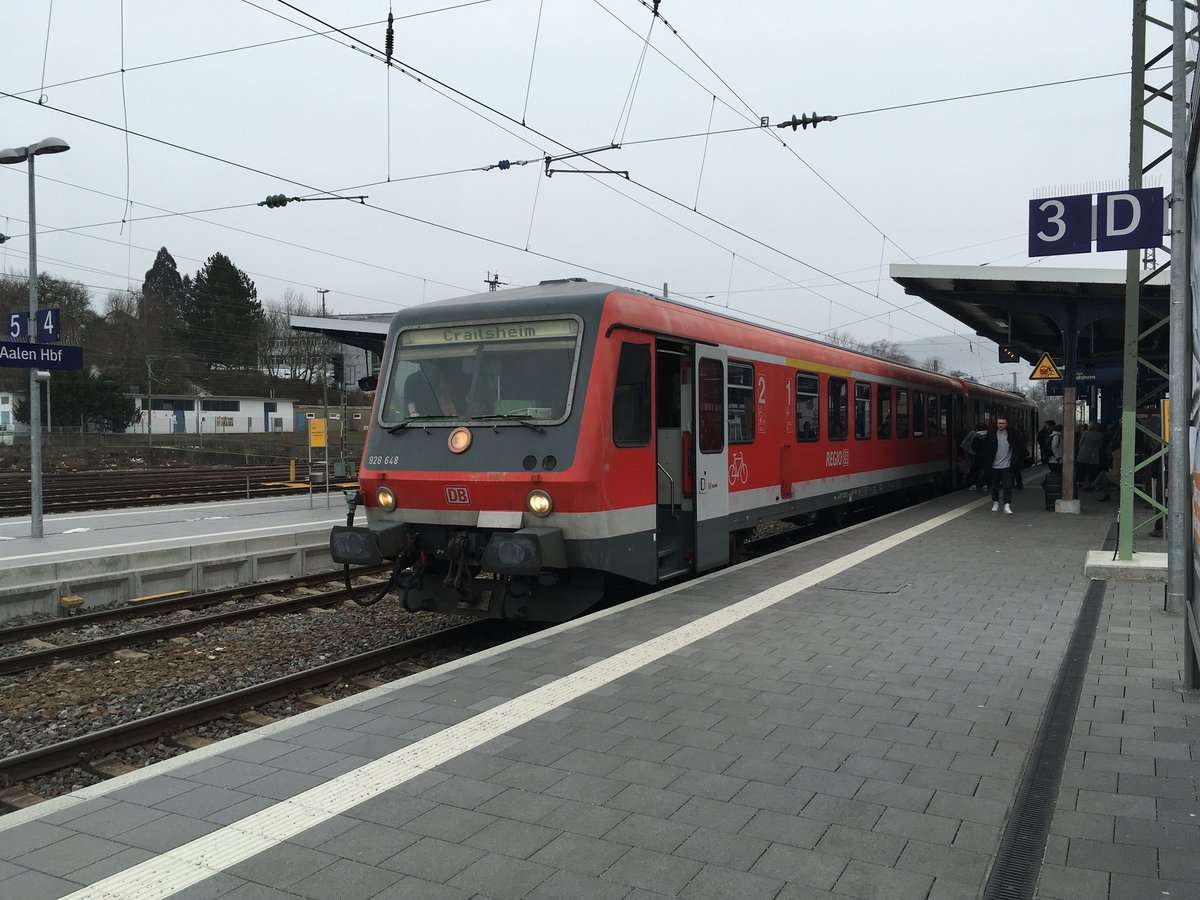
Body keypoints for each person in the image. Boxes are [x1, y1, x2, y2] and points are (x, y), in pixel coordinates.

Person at [980, 416, 1025, 514]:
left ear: (1006, 424)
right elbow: (986, 448)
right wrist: (987, 460)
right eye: (999, 423)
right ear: (997, 423)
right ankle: (995, 503)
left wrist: (1015, 460)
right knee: (994, 486)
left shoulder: (1011, 435)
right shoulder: (991, 434)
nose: (1001, 425)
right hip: (994, 465)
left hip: (1007, 465)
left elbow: (1018, 447)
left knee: (1007, 486)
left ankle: (1007, 505)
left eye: (1003, 423)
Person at [1077, 423, 1104, 492]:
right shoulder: (1099, 435)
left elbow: (1080, 442)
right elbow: (1100, 445)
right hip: (1094, 452)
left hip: (1083, 451)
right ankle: (1091, 481)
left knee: (1082, 467)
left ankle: (1082, 481)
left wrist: (1082, 448)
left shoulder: (1085, 433)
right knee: (1092, 468)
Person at [959, 423, 987, 490]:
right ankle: (983, 483)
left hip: (973, 453)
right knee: (983, 469)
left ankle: (973, 482)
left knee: (974, 468)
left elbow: (967, 442)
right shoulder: (987, 435)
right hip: (983, 455)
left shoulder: (975, 434)